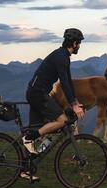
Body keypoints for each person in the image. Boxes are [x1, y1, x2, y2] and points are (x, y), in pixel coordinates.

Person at [22, 28, 85, 179]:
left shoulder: (63, 56)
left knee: (35, 130)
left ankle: (25, 170)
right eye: (79, 43)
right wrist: (74, 106)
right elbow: (63, 82)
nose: (80, 46)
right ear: (74, 43)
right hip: (38, 94)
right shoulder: (61, 57)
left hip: (35, 92)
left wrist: (75, 102)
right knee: (62, 120)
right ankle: (29, 138)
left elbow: (68, 81)